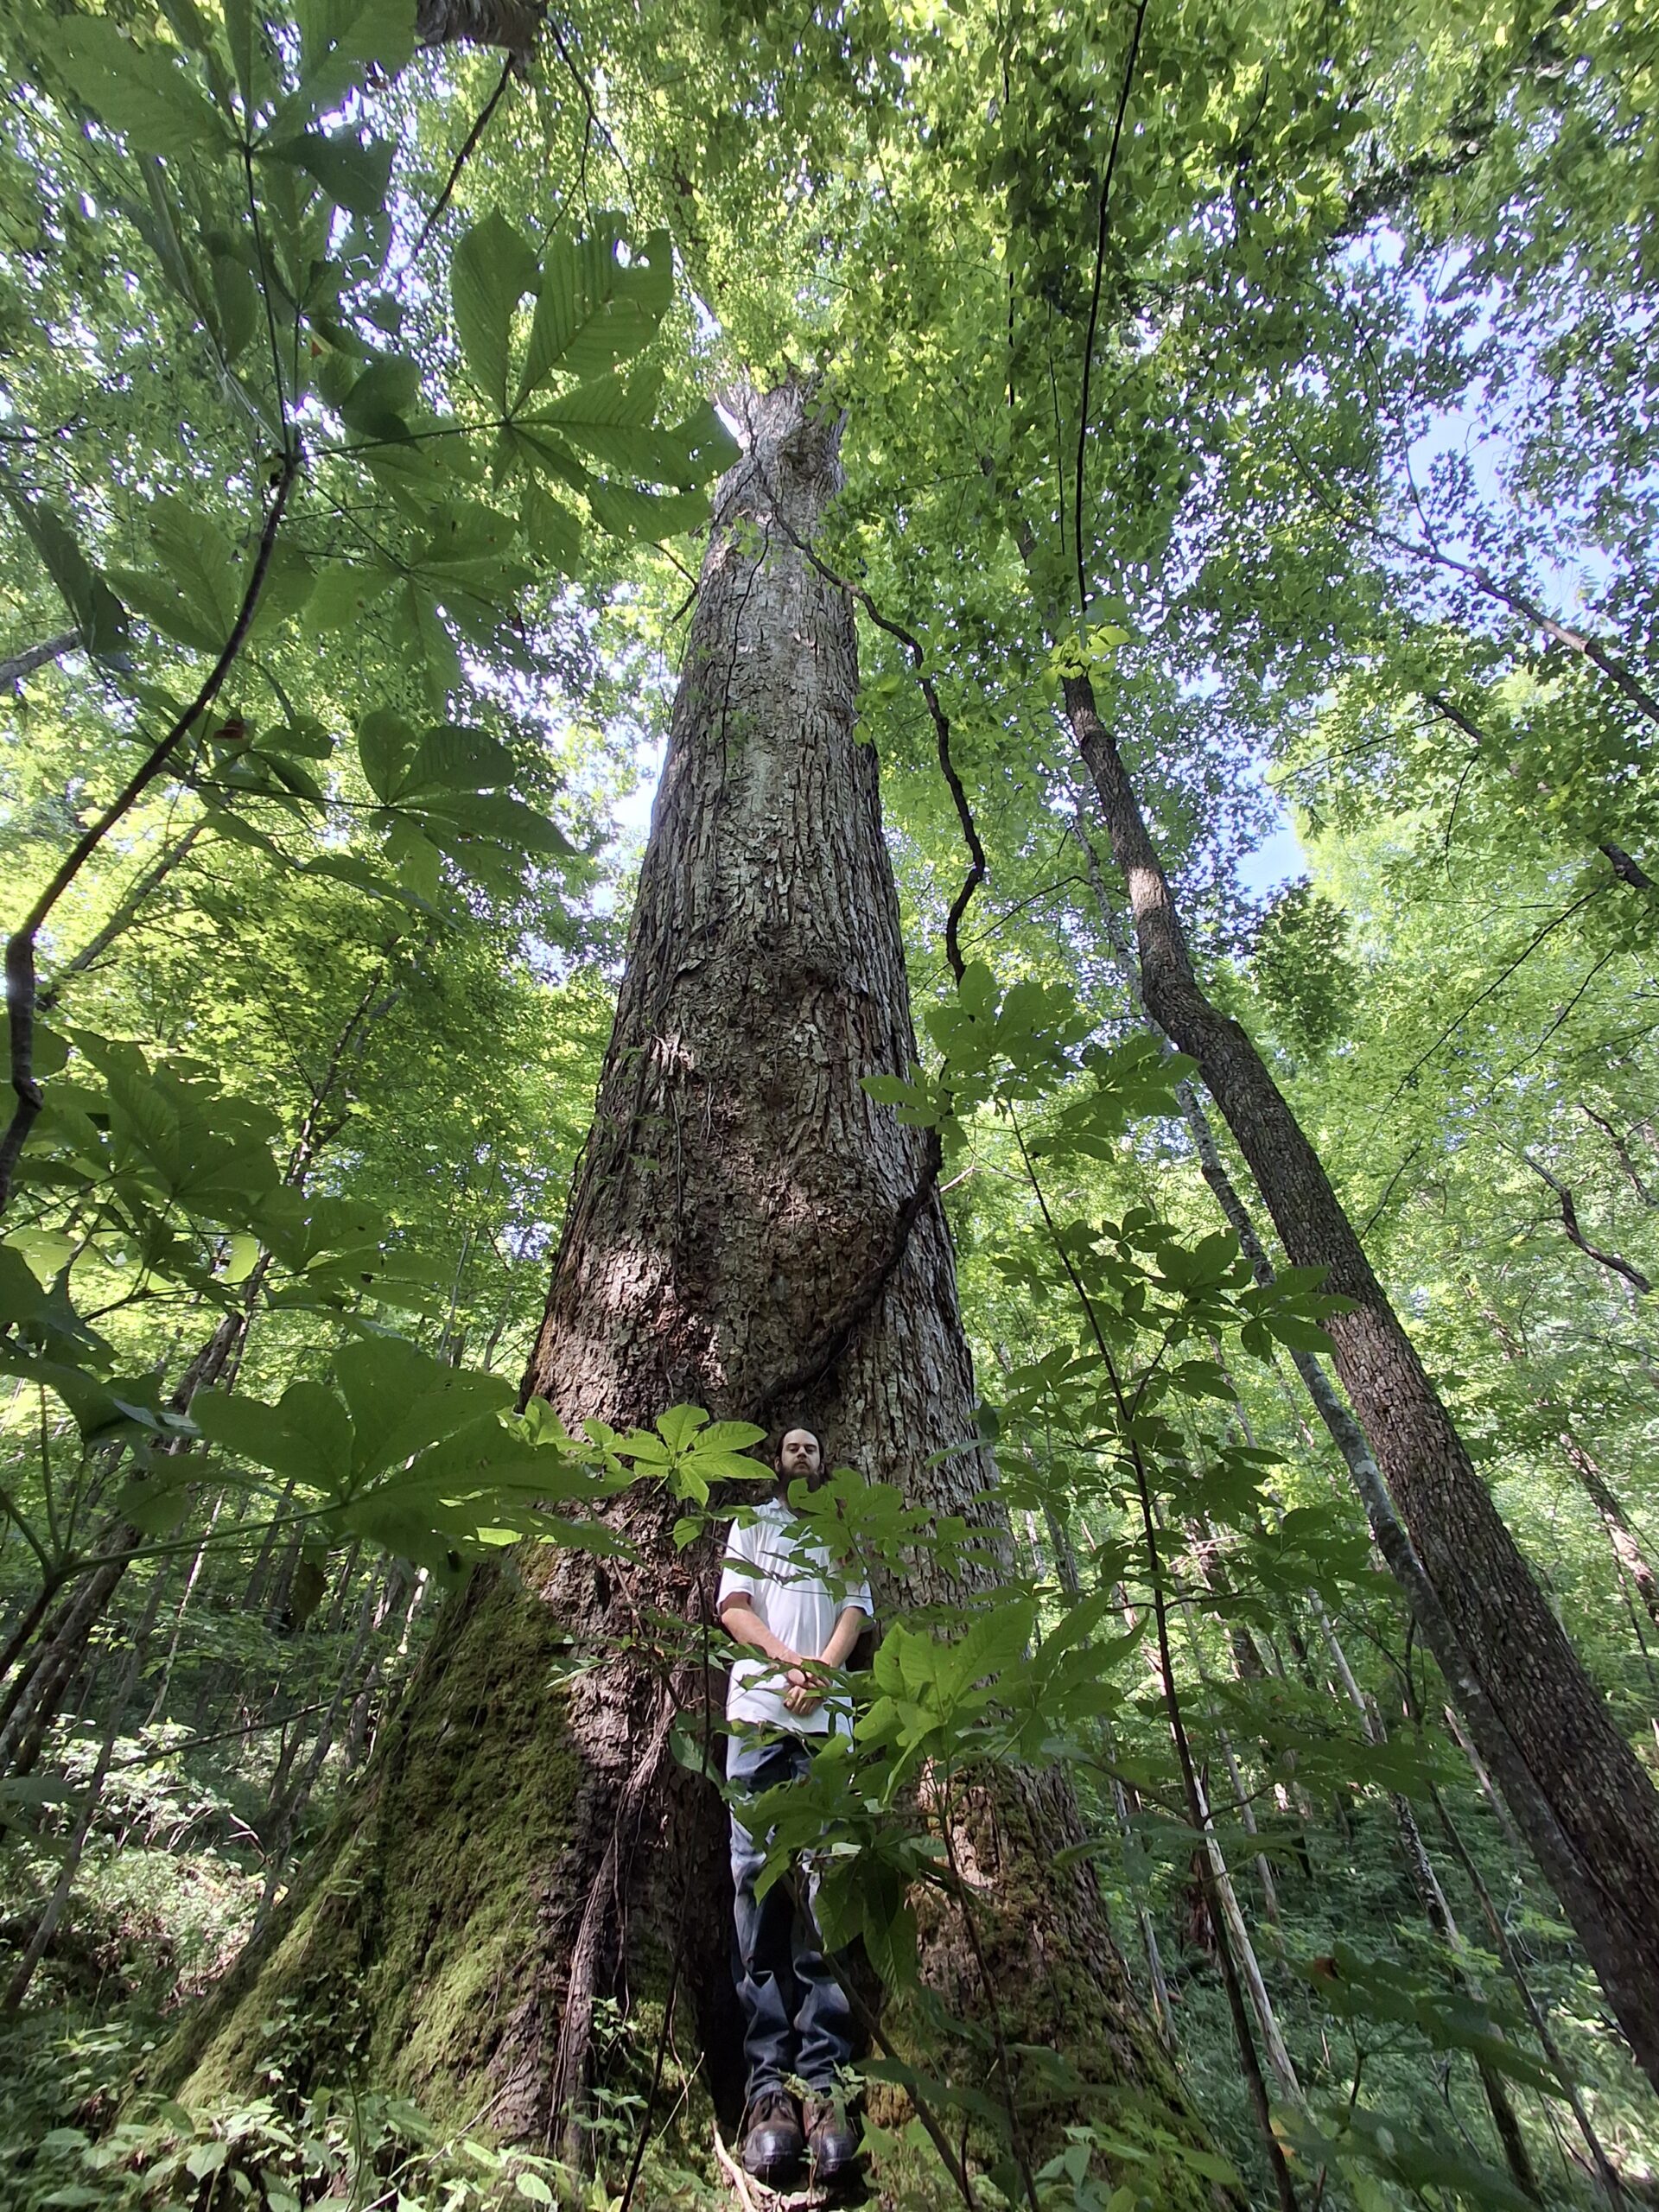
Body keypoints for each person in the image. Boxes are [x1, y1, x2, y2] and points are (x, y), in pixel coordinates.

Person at [717, 1424, 873, 2188]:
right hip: (756, 1718)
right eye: (793, 1446)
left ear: (825, 1461)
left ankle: (825, 2087)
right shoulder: (751, 1523)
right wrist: (785, 1660)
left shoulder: (840, 1533)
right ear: (776, 1461)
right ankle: (767, 2093)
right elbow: (735, 1607)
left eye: (814, 1445)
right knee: (756, 1888)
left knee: (827, 1897)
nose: (804, 1452)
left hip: (827, 1728)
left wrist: (822, 1667)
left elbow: (855, 1610)